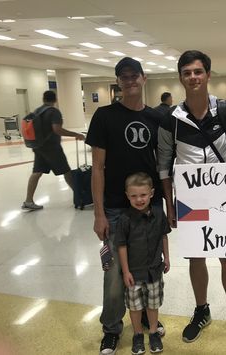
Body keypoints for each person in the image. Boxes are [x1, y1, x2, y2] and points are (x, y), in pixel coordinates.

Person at [157, 50, 226, 345]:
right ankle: (202, 310)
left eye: (198, 72)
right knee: (196, 258)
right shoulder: (171, 120)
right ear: (180, 78)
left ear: (208, 75)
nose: (193, 77)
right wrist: (169, 204)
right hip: (191, 202)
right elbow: (163, 167)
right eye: (187, 73)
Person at [86, 57, 165, 355]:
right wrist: (98, 213)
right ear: (118, 82)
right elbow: (97, 168)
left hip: (149, 210)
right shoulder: (104, 116)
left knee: (147, 269)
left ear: (144, 79)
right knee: (116, 274)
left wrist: (165, 206)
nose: (130, 81)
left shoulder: (157, 118)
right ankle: (111, 328)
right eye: (124, 77)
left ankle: (145, 319)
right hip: (117, 211)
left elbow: (164, 165)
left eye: (135, 76)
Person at [115, 172, 171, 354]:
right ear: (127, 196)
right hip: (134, 273)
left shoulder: (158, 214)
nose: (139, 199)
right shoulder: (124, 220)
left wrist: (167, 257)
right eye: (133, 196)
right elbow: (121, 246)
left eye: (143, 195)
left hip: (154, 270)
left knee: (153, 304)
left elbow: (164, 236)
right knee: (135, 307)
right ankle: (138, 334)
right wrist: (125, 272)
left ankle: (153, 332)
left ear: (152, 193)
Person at [22, 90, 85, 211]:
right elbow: (57, 129)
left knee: (37, 172)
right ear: (55, 99)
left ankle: (28, 201)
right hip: (52, 148)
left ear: (43, 99)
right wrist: (76, 134)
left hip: (39, 146)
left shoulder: (37, 111)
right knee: (66, 171)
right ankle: (80, 196)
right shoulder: (54, 112)